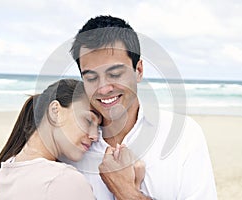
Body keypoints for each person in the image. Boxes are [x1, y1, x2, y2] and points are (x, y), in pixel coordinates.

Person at [62, 15, 218, 199]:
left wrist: (126, 192)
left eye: (115, 74)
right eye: (91, 78)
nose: (103, 88)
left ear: (139, 70)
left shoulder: (184, 134)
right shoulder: (68, 144)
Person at [0, 79, 103, 200]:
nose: (95, 136)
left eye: (98, 128)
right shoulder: (64, 180)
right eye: (88, 120)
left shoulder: (6, 170)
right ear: (55, 111)